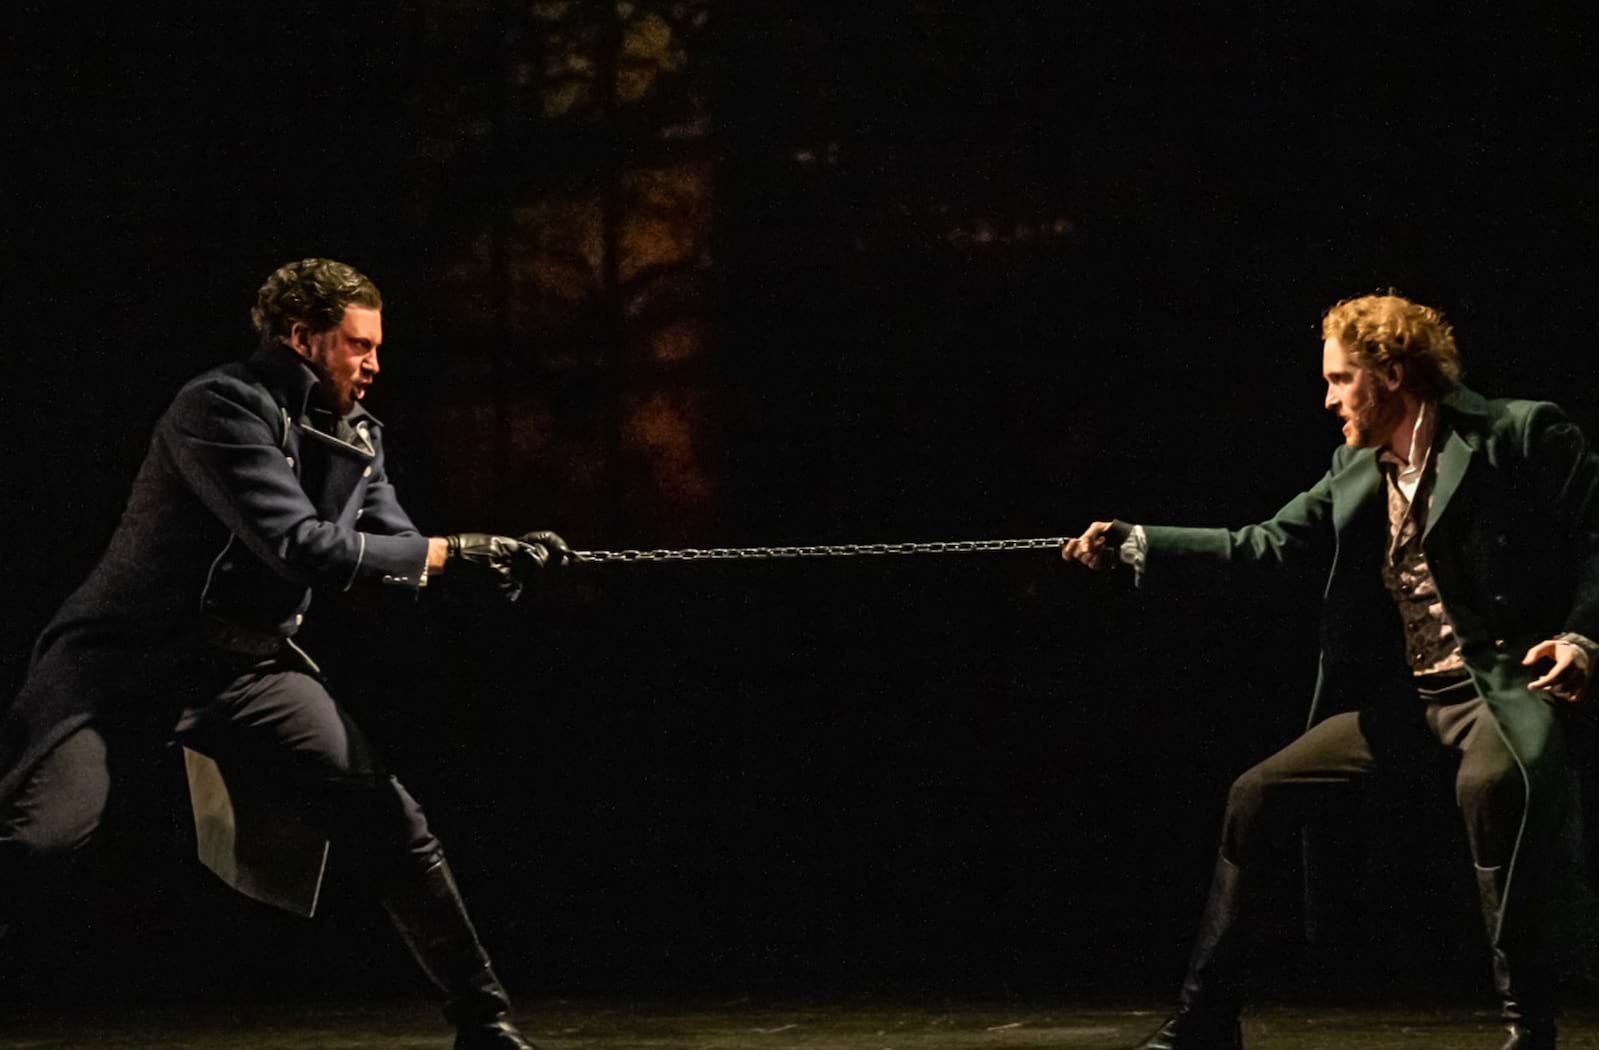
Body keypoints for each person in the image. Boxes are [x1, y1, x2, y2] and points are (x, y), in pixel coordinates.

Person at [0, 258, 567, 1050]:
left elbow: (395, 546)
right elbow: (298, 546)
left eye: (376, 348)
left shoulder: (358, 432)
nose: (374, 365)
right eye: (359, 346)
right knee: (38, 842)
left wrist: (494, 557)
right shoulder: (220, 405)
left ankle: (483, 1021)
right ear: (303, 338)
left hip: (247, 667)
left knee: (386, 815)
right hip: (123, 664)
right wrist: (451, 552)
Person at [1062, 293, 1598, 1050]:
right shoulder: (1353, 469)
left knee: (1492, 785)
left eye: (1339, 379)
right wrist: (1138, 541)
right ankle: (1206, 1018)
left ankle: (1527, 1027)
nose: (1327, 399)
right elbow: (1264, 545)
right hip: (1413, 699)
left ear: (1389, 372)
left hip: (1505, 688)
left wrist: (1581, 637)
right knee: (1256, 795)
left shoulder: (1515, 433)